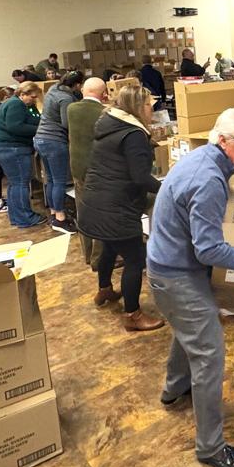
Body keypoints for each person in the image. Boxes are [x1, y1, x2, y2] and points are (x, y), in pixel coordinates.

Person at [146, 107, 234, 467]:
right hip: (177, 274)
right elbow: (208, 250)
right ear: (223, 140)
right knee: (209, 355)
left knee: (191, 329)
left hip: (169, 266)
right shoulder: (208, 178)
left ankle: (175, 387)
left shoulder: (204, 160)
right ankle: (210, 447)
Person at [76, 85, 164, 331]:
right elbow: (140, 177)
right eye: (149, 104)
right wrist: (167, 189)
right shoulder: (133, 134)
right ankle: (132, 315)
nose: (152, 108)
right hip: (116, 207)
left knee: (109, 247)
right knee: (135, 258)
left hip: (95, 202)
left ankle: (104, 289)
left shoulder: (110, 126)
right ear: (138, 107)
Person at [34, 70, 84, 234]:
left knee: (50, 179)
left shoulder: (53, 89)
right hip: (54, 141)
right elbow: (67, 123)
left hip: (40, 138)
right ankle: (61, 219)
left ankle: (54, 212)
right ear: (77, 85)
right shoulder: (66, 98)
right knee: (59, 181)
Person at [0, 81, 44, 228]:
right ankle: (25, 218)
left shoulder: (17, 103)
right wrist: (40, 129)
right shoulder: (16, 104)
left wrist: (41, 120)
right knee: (20, 183)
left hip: (3, 147)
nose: (34, 100)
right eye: (32, 97)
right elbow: (16, 127)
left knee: (15, 183)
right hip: (11, 149)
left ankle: (16, 216)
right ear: (23, 94)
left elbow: (31, 119)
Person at [68, 78, 109, 268]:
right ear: (104, 93)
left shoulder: (71, 109)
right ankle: (99, 259)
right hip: (97, 171)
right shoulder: (104, 113)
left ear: (83, 90)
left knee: (83, 212)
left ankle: (87, 253)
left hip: (77, 169)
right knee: (100, 214)